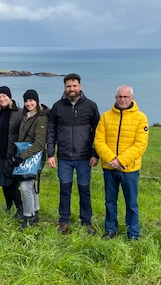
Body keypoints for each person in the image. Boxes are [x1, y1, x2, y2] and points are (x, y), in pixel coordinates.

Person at [46, 73, 100, 235]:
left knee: (84, 189)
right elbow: (51, 131)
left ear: (80, 86)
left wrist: (95, 154)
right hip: (64, 157)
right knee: (65, 189)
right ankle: (64, 220)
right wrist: (50, 154)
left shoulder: (90, 106)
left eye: (74, 86)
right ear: (64, 87)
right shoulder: (57, 107)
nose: (72, 89)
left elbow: (98, 132)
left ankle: (86, 221)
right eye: (68, 86)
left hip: (84, 157)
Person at [94, 85, 149, 240]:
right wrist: (112, 160)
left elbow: (140, 144)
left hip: (130, 169)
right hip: (109, 168)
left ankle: (133, 233)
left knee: (131, 203)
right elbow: (99, 141)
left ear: (132, 98)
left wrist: (121, 160)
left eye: (126, 97)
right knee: (110, 201)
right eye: (120, 96)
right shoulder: (106, 116)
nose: (122, 99)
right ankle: (110, 229)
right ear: (115, 97)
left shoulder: (141, 118)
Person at [12, 89, 48, 229]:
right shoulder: (26, 116)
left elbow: (39, 144)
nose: (28, 103)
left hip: (33, 158)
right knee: (31, 187)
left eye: (31, 100)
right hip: (26, 156)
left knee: (25, 187)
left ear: (37, 101)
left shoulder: (41, 119)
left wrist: (21, 157)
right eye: (26, 100)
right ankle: (35, 213)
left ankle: (27, 217)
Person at [0, 86, 23, 218]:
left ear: (10, 97)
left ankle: (20, 208)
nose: (2, 99)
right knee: (2, 182)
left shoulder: (19, 112)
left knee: (10, 183)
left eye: (4, 96)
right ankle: (8, 205)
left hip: (12, 154)